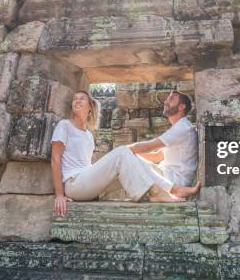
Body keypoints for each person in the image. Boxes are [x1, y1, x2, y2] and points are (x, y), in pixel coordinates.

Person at [51, 90, 200, 217]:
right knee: (123, 153)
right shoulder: (64, 125)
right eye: (74, 99)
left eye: (81, 98)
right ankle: (157, 192)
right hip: (73, 184)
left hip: (86, 182)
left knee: (128, 158)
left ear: (90, 106)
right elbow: (55, 159)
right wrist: (59, 194)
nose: (77, 101)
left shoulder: (89, 135)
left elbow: (85, 164)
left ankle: (167, 190)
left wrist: (123, 158)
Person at [128, 90, 198, 187]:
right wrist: (131, 154)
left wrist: (125, 150)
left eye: (171, 99)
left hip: (175, 181)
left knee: (123, 159)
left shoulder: (183, 127)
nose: (165, 102)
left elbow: (149, 146)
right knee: (126, 161)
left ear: (182, 106)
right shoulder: (180, 127)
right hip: (167, 176)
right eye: (167, 98)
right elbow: (156, 156)